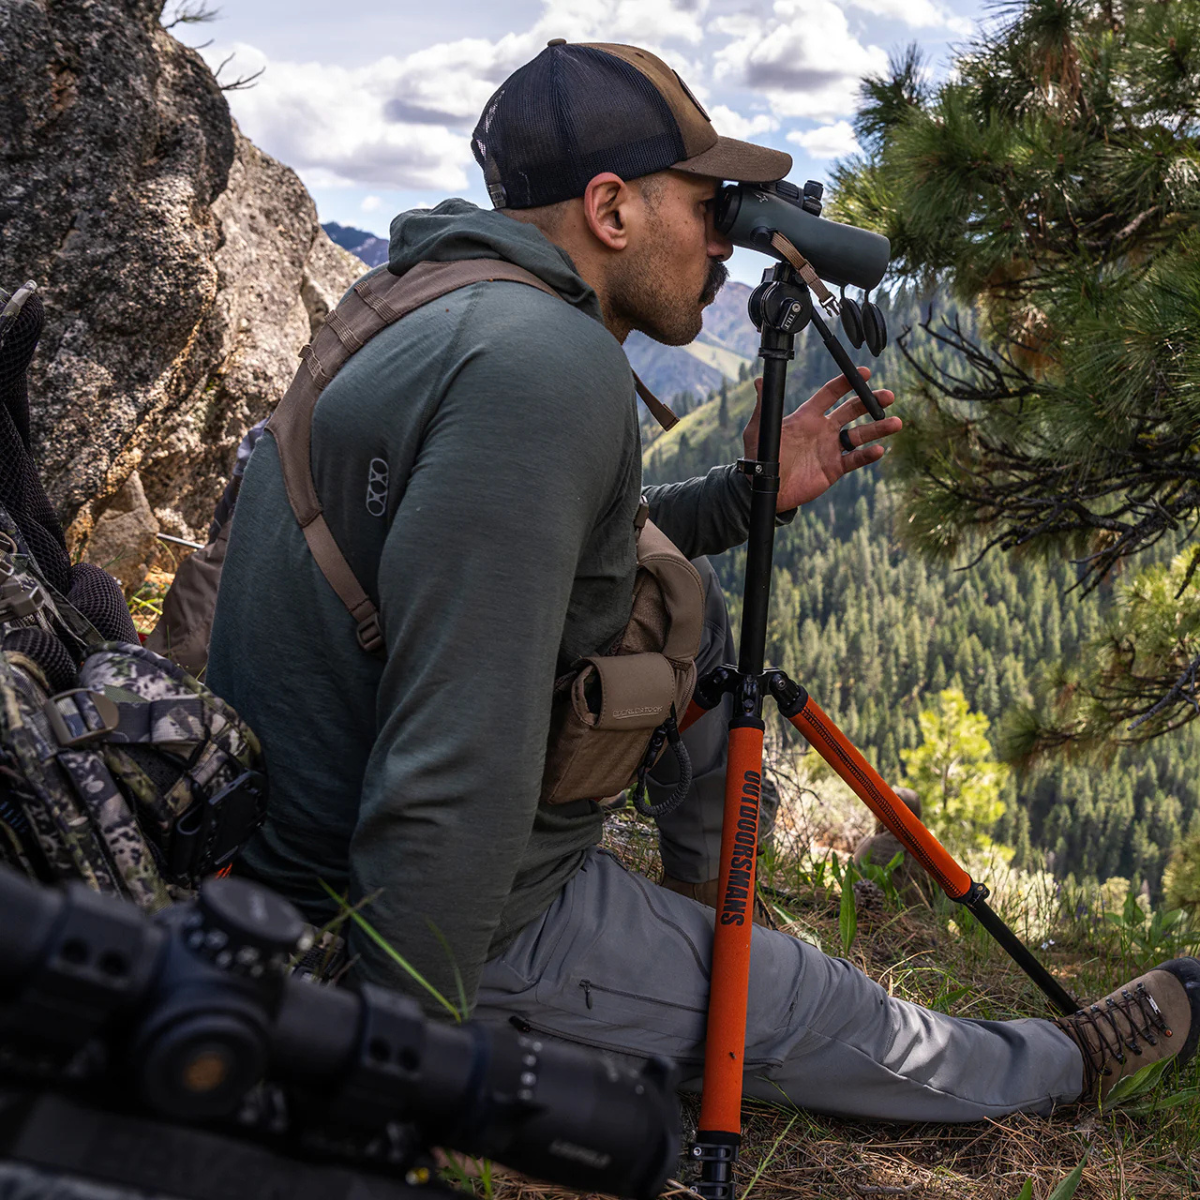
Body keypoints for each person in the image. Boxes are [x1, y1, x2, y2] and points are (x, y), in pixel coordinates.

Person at [209, 40, 1200, 1120]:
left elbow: (524, 548)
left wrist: (745, 498)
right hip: (403, 926)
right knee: (804, 998)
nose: (724, 240)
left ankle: (682, 919)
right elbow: (457, 763)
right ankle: (1061, 1067)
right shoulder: (547, 368)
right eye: (705, 200)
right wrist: (384, 1072)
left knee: (686, 601)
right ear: (611, 209)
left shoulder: (427, 298)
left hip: (290, 850)